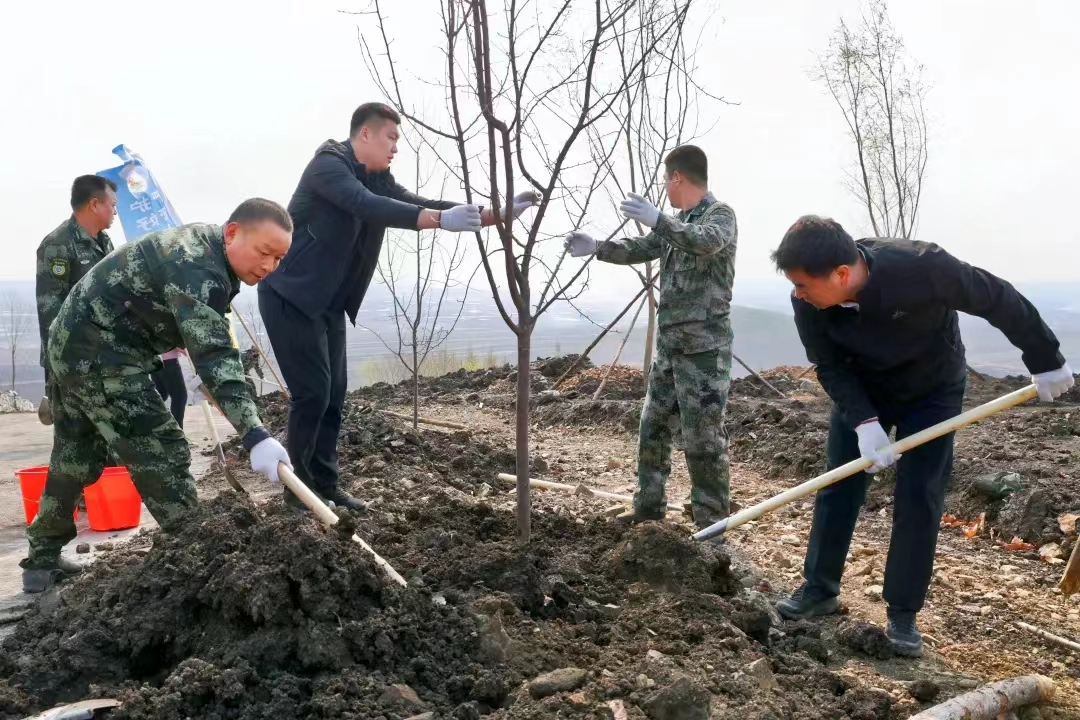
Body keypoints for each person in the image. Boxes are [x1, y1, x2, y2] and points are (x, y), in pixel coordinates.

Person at [769, 215, 1074, 657]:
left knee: (920, 493)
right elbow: (829, 365)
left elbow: (997, 297)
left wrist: (1045, 357)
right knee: (839, 484)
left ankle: (903, 612)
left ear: (840, 274)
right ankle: (819, 588)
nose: (797, 293)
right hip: (863, 389)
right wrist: (862, 422)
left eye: (803, 284)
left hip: (930, 390)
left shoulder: (922, 265)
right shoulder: (807, 302)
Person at [259, 102, 538, 511]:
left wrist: (495, 214)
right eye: (391, 138)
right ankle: (298, 495)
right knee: (312, 394)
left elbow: (418, 201)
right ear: (366, 134)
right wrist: (438, 221)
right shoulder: (327, 168)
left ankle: (326, 485)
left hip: (329, 305)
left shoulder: (377, 178)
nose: (395, 148)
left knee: (334, 395)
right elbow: (366, 205)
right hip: (290, 297)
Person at [21, 198, 295, 593]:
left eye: (279, 259)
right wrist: (254, 434)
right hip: (101, 353)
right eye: (265, 252)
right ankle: (202, 562)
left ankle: (41, 560)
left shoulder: (206, 251)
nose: (269, 266)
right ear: (233, 232)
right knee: (161, 450)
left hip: (76, 346)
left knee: (76, 456)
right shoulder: (198, 266)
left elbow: (205, 340)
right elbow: (215, 356)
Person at [564, 144, 738, 531]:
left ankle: (712, 526)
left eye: (666, 180)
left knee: (703, 440)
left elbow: (705, 241)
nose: (665, 187)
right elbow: (643, 247)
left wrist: (659, 219)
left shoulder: (719, 215)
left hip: (704, 352)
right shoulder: (678, 221)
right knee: (653, 427)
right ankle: (648, 509)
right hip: (671, 347)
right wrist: (598, 248)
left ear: (677, 177)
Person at [35, 176, 118, 425]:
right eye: (112, 204)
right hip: (73, 366)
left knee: (111, 444)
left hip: (103, 361)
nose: (115, 211)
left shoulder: (104, 243)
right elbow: (51, 313)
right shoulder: (58, 245)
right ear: (94, 204)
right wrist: (67, 367)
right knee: (76, 448)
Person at [151, 348, 188, 427]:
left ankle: (152, 428)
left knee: (160, 395)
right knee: (179, 396)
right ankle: (176, 431)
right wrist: (183, 349)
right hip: (168, 361)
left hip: (155, 360)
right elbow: (169, 338)